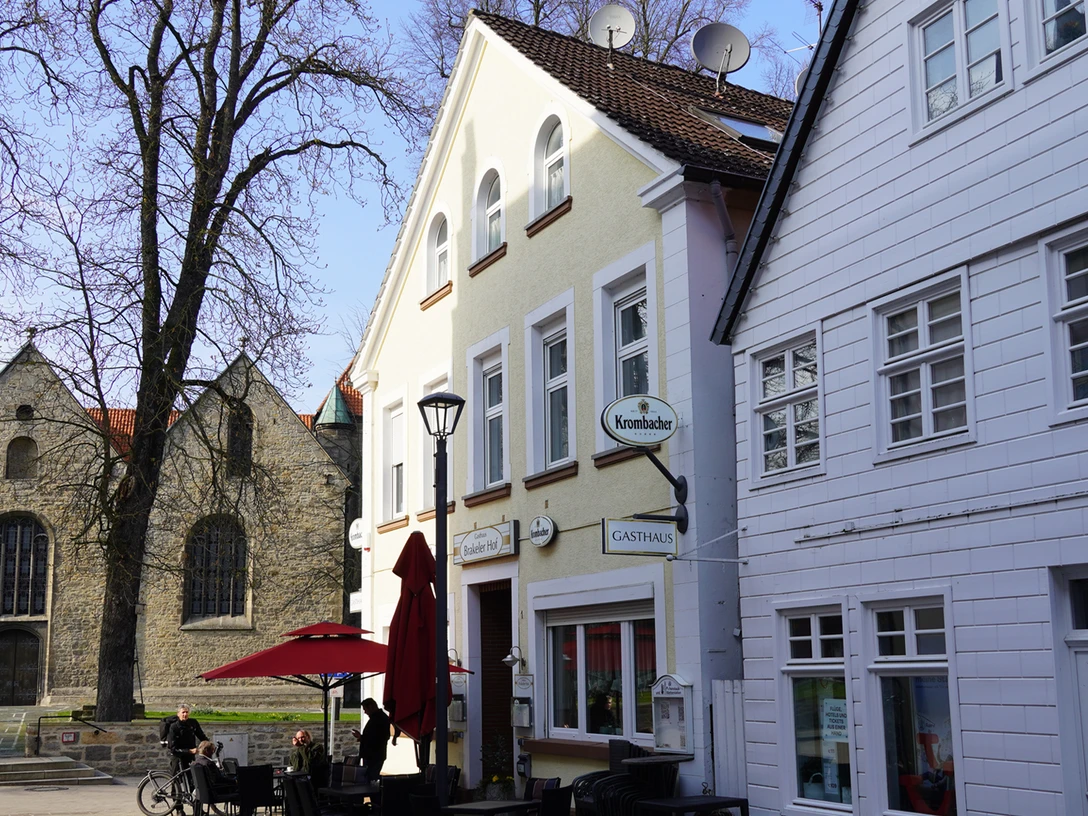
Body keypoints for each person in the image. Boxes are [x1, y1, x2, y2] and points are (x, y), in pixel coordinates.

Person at [351, 698, 391, 781]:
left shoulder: (379, 719)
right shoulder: (378, 718)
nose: (365, 712)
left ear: (371, 707)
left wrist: (361, 737)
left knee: (371, 778)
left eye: (365, 709)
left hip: (374, 755)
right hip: (373, 755)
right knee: (370, 778)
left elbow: (378, 738)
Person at [167, 705, 209, 778]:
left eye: (187, 712)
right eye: (183, 712)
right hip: (178, 757)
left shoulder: (193, 723)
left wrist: (209, 745)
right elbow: (173, 749)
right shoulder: (174, 727)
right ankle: (174, 789)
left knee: (192, 779)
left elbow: (201, 736)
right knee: (176, 781)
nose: (185, 714)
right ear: (178, 714)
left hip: (190, 757)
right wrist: (189, 751)